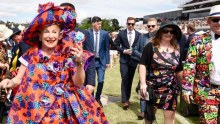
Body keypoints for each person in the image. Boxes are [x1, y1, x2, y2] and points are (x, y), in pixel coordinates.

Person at [0, 3, 109, 123]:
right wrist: (9, 82)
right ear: (40, 36)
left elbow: (78, 83)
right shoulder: (30, 55)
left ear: (60, 35)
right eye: (46, 32)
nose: (51, 36)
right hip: (37, 111)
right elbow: (18, 79)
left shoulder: (68, 53)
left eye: (54, 32)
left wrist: (79, 63)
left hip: (64, 110)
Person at [139, 20, 183, 124]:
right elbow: (142, 65)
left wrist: (184, 87)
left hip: (171, 87)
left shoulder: (177, 49)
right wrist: (142, 84)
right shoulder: (150, 46)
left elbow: (179, 70)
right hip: (152, 87)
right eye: (166, 31)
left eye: (171, 32)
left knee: (170, 116)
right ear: (160, 32)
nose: (168, 34)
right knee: (149, 117)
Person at [182, 5, 220, 124]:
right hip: (207, 91)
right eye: (215, 20)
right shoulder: (198, 40)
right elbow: (189, 65)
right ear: (208, 22)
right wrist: (187, 89)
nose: (219, 22)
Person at [60, 2, 96, 95]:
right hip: (59, 81)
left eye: (68, 12)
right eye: (61, 12)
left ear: (74, 14)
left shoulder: (83, 33)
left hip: (80, 78)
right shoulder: (55, 34)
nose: (64, 15)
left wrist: (91, 82)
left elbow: (90, 58)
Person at [133, 17, 158, 119]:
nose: (151, 27)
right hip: (144, 68)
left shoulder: (161, 38)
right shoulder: (142, 38)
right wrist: (143, 57)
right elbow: (134, 49)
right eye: (149, 26)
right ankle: (143, 111)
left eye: (153, 26)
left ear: (156, 26)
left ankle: (152, 108)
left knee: (155, 91)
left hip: (157, 69)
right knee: (143, 88)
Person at [114, 17, 141, 109]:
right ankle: (125, 100)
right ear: (126, 24)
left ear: (135, 25)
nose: (130, 26)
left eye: (132, 24)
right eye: (129, 24)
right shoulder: (121, 33)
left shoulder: (139, 35)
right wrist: (123, 50)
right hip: (124, 60)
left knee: (130, 80)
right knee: (125, 78)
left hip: (134, 60)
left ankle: (127, 98)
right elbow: (116, 45)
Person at [88, 16, 110, 107]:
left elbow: (106, 49)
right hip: (91, 61)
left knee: (101, 81)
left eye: (100, 24)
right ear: (93, 23)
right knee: (91, 81)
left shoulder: (104, 34)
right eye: (98, 24)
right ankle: (92, 98)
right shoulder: (88, 33)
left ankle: (97, 97)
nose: (100, 25)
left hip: (101, 61)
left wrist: (107, 61)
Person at [0, 24, 12, 124]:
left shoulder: (4, 45)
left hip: (3, 78)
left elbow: (7, 60)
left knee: (2, 102)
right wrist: (3, 65)